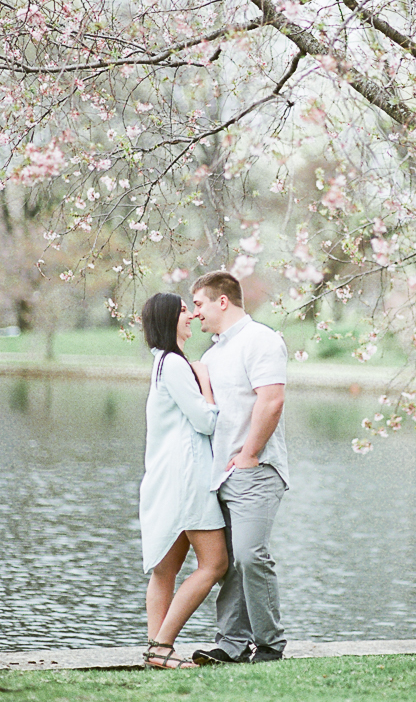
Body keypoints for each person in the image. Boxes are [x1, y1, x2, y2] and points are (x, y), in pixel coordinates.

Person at [190, 271, 288, 666]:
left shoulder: (261, 340)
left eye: (198, 304)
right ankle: (231, 645)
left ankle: (269, 644)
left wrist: (249, 453)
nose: (196, 314)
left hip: (256, 468)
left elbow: (272, 400)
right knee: (230, 562)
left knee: (250, 556)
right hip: (221, 474)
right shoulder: (213, 354)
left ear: (222, 301)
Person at [139, 292, 228, 669]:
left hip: (166, 477)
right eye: (182, 311)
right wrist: (205, 380)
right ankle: (161, 646)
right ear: (167, 319)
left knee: (165, 569)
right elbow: (206, 421)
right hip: (187, 477)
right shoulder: (175, 365)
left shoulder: (161, 364)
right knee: (214, 564)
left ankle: (156, 652)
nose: (191, 315)